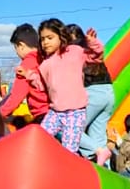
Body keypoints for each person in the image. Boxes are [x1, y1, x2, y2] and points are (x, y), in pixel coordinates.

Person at [37, 18, 92, 153]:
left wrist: (92, 43)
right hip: (55, 112)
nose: (45, 42)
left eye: (50, 38)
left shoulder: (74, 51)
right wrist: (30, 76)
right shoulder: (45, 64)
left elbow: (95, 56)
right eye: (43, 39)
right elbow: (41, 85)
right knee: (40, 138)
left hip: (75, 112)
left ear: (61, 36)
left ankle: (71, 171)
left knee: (69, 149)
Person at [0, 25, 50, 122]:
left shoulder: (25, 66)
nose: (16, 53)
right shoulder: (45, 60)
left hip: (42, 114)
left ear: (21, 46)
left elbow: (16, 97)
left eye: (16, 48)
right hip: (56, 111)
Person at [79, 61, 115, 165]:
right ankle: (106, 170)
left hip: (92, 89)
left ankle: (98, 151)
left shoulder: (75, 51)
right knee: (98, 136)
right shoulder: (95, 53)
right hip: (108, 90)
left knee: (70, 128)